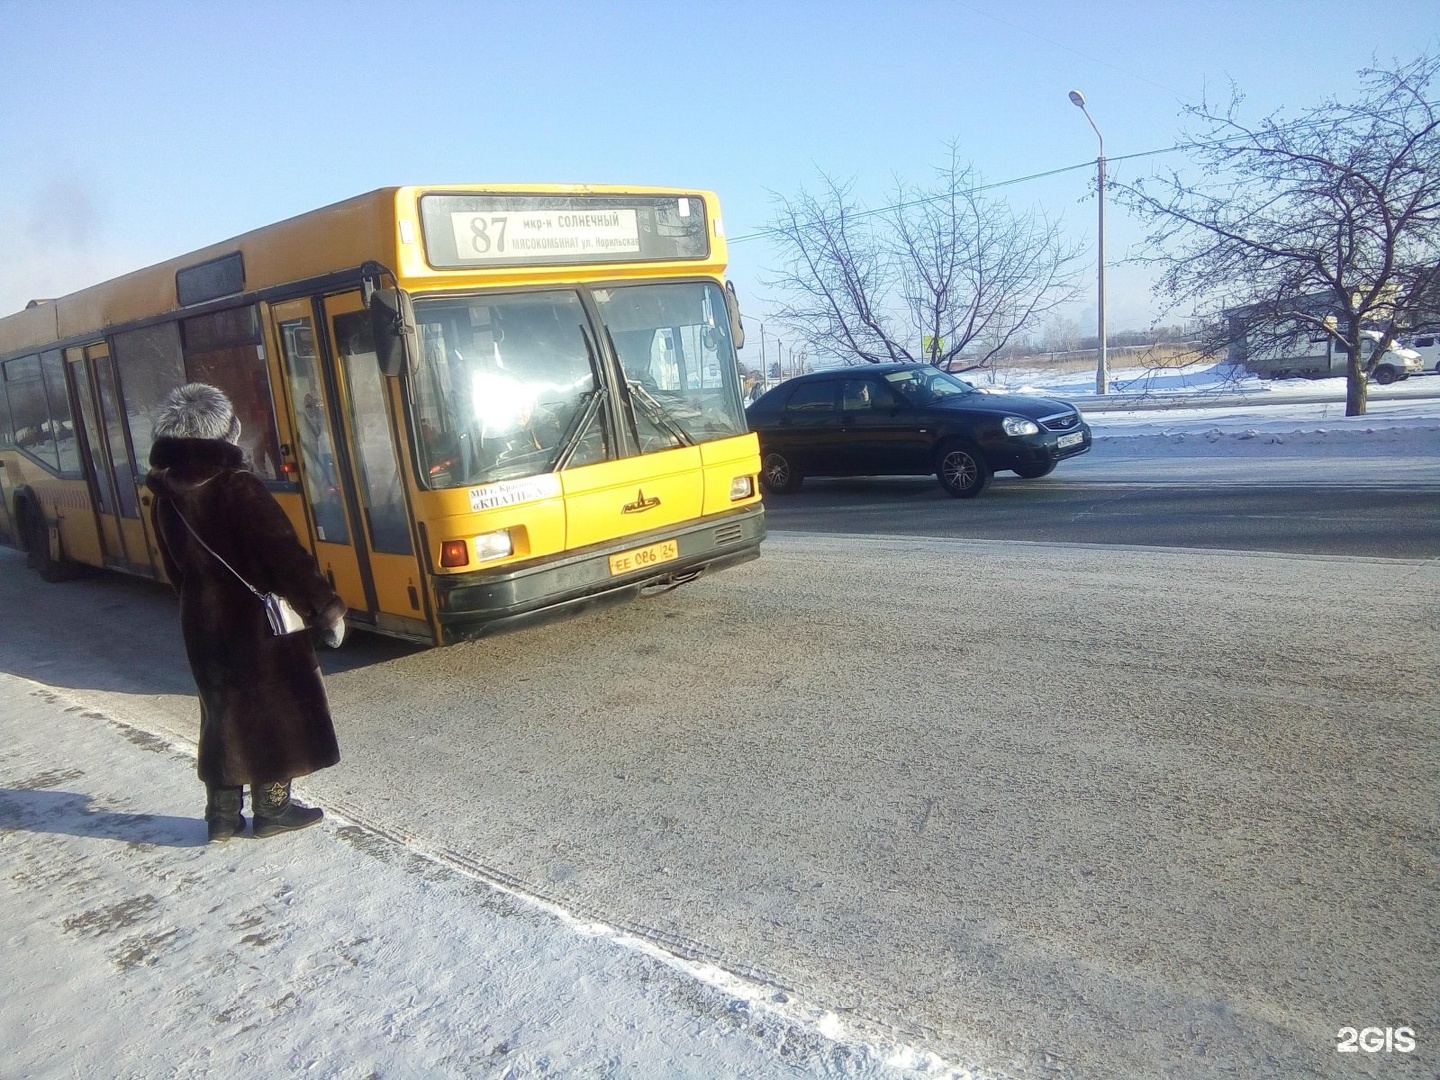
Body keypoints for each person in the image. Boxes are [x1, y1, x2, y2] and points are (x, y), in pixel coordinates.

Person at [145, 383, 347, 843]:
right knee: (275, 710)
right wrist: (325, 609)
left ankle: (221, 815)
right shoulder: (239, 487)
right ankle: (273, 808)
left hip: (201, 619)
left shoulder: (166, 497)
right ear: (223, 433)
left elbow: (173, 567)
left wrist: (198, 603)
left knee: (222, 711)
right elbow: (286, 556)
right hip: (258, 622)